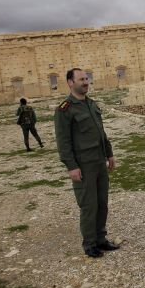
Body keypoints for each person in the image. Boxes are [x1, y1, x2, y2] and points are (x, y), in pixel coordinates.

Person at [54, 68, 121, 258]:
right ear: (70, 83)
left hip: (99, 161)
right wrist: (71, 166)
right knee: (89, 205)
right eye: (81, 79)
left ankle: (101, 239)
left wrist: (109, 155)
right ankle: (90, 244)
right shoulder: (65, 109)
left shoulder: (91, 104)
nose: (86, 82)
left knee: (102, 203)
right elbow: (63, 141)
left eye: (87, 78)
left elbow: (101, 132)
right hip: (83, 165)